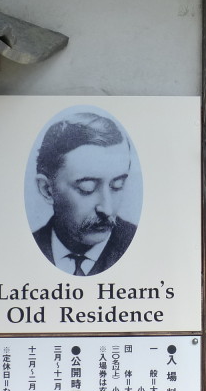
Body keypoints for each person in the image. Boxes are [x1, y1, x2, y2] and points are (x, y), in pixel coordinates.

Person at [32, 111, 138, 275]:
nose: (107, 209)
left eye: (117, 185)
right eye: (87, 188)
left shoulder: (143, 246)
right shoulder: (25, 248)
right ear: (47, 190)